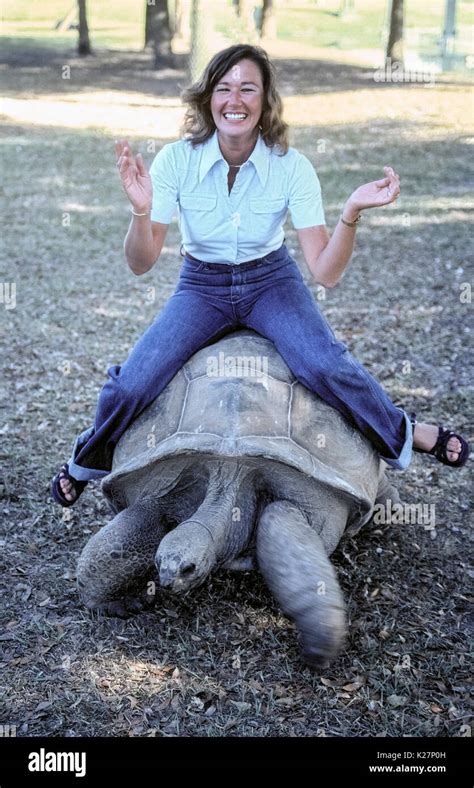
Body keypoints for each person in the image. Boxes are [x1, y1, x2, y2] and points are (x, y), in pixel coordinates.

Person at [51, 44, 469, 506]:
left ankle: (408, 432)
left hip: (271, 282)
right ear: (208, 98)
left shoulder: (291, 167)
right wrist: (140, 208)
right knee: (133, 381)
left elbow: (325, 271)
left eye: (248, 88)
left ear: (265, 99)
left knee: (324, 364)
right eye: (224, 88)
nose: (235, 100)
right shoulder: (176, 161)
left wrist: (350, 212)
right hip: (201, 286)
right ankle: (86, 459)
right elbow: (141, 261)